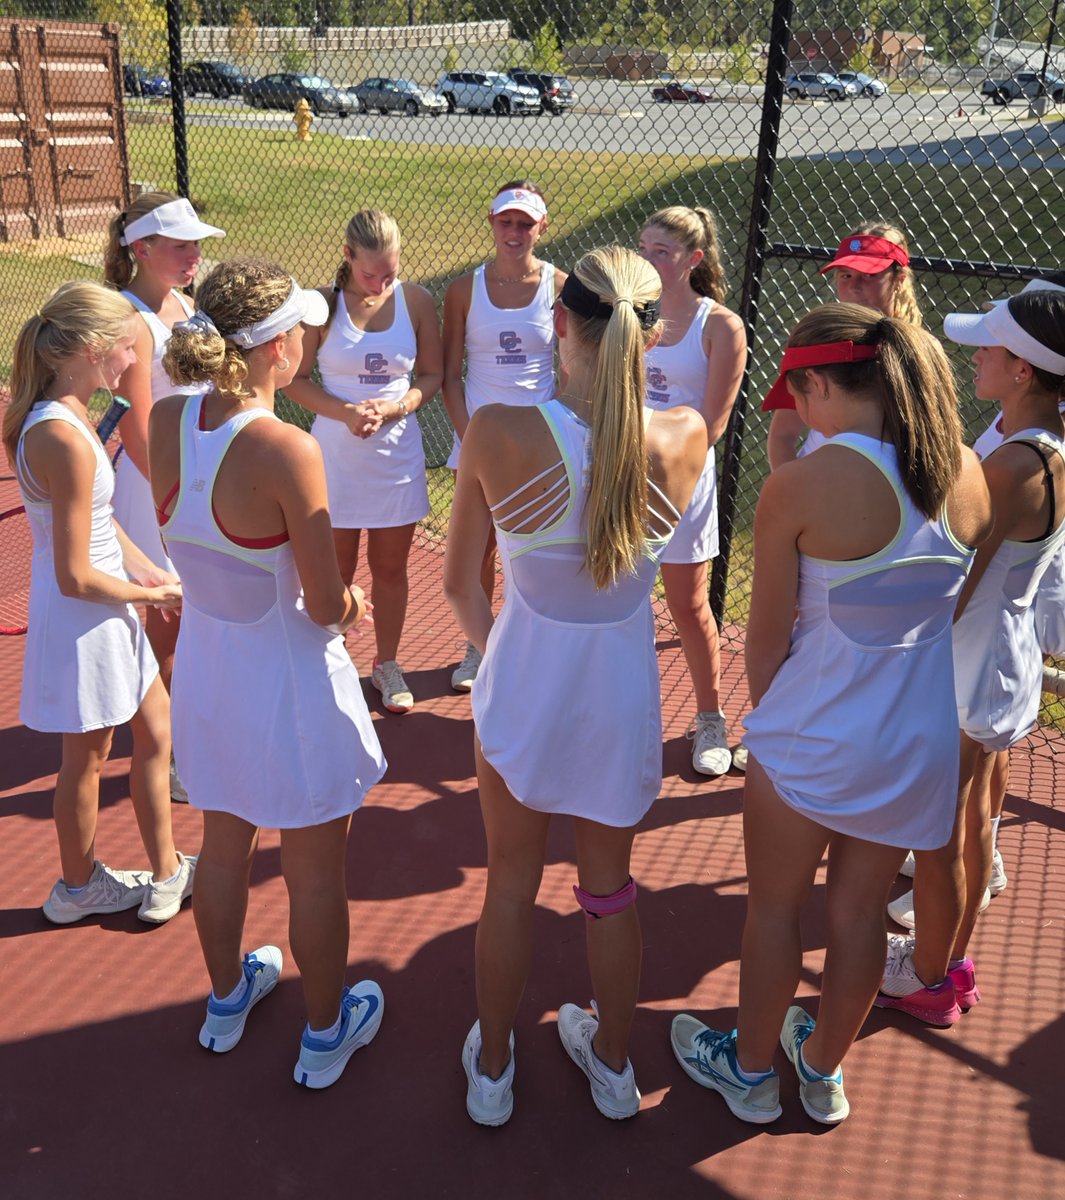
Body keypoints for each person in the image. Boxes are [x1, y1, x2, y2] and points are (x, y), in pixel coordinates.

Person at [673, 303, 991, 1125]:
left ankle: (745, 1072)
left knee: (774, 911)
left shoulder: (802, 484)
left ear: (817, 383)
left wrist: (772, 721)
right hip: (913, 737)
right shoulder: (964, 468)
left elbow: (768, 644)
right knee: (856, 917)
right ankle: (820, 1071)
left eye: (796, 394)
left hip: (814, 734)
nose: (794, 412)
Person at [443, 246, 707, 1126]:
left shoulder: (498, 429)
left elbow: (458, 588)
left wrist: (504, 650)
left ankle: (491, 1069)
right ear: (653, 333)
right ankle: (615, 1063)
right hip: (621, 697)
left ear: (560, 322)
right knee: (610, 891)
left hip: (523, 689)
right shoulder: (686, 437)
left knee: (509, 885)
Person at [151, 260, 387, 1088]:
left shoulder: (165, 417)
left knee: (220, 847)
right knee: (315, 869)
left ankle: (226, 999)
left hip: (211, 683)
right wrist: (356, 604)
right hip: (288, 688)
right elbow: (326, 607)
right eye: (303, 328)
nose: (310, 338)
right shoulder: (287, 449)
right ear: (278, 348)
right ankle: (326, 1033)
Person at [877, 289, 1065, 1025]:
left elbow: (952, 584)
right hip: (1000, 663)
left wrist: (897, 657)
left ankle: (928, 976)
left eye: (990, 346)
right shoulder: (1040, 443)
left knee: (937, 836)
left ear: (1023, 371)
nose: (976, 353)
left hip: (965, 669)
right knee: (975, 824)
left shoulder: (1012, 466)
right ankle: (948, 966)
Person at [3, 281, 191, 926]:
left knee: (156, 731)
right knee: (85, 759)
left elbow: (101, 523)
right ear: (89, 348)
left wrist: (154, 571)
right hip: (85, 616)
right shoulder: (59, 434)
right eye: (126, 348)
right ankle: (77, 886)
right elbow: (76, 573)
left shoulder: (73, 414)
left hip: (108, 611)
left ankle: (166, 869)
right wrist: (154, 593)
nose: (134, 362)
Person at [286, 209, 443, 714]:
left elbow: (433, 376)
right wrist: (346, 412)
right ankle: (330, 660)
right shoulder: (321, 306)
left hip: (396, 456)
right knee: (334, 570)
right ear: (347, 255)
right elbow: (296, 378)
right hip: (332, 458)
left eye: (389, 274)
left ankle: (387, 663)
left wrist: (396, 407)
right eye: (369, 273)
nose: (379, 283)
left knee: (391, 567)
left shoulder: (416, 301)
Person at [441, 181, 568, 691]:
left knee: (538, 551)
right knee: (480, 550)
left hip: (542, 444)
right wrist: (472, 439)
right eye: (506, 221)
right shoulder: (462, 290)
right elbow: (451, 376)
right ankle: (481, 648)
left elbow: (569, 371)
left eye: (525, 223)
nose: (515, 232)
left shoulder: (561, 287)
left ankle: (534, 646)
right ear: (491, 223)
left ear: (542, 226)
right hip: (477, 441)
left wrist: (556, 432)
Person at [638, 206, 747, 775]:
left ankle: (711, 718)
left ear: (693, 260)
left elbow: (712, 423)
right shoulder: (631, 313)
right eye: (645, 248)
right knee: (617, 602)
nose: (649, 260)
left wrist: (660, 456)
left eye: (663, 252)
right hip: (621, 475)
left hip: (682, 482)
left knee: (687, 604)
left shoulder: (720, 326)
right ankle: (617, 717)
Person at [103, 192, 224, 700]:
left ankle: (176, 731)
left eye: (197, 244)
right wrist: (182, 495)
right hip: (160, 486)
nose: (194, 255)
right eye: (181, 246)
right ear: (143, 249)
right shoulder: (130, 320)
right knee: (171, 614)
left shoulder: (189, 306)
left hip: (197, 480)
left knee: (199, 615)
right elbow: (135, 430)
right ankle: (166, 751)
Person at [765, 221, 922, 471]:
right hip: (816, 482)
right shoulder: (818, 341)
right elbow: (782, 434)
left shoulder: (919, 350)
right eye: (846, 275)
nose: (854, 286)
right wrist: (789, 485)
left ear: (899, 278)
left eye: (869, 275)